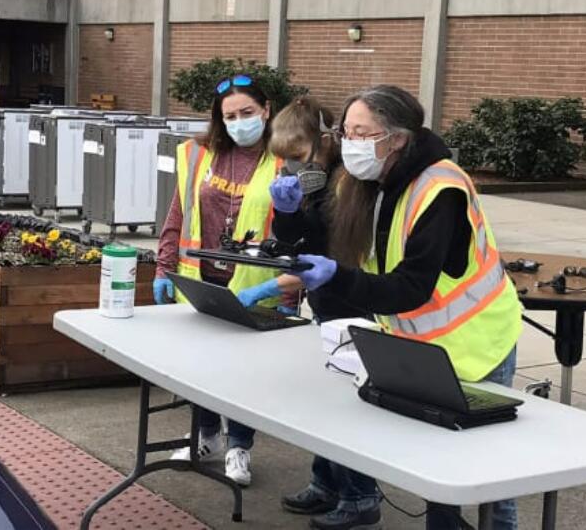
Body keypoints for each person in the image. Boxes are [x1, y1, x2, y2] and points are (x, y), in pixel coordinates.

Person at [245, 85, 523, 530]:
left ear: (397, 138)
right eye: (345, 131)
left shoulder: (441, 188)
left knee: (489, 471)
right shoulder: (367, 181)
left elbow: (411, 287)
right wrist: (290, 215)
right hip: (419, 341)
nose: (348, 142)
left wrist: (338, 278)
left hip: (478, 338)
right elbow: (326, 248)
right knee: (439, 465)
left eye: (360, 132)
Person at [154, 74, 287, 486]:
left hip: (255, 283)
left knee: (245, 373)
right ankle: (206, 436)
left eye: (247, 113)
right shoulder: (198, 154)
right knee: (201, 367)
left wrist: (284, 287)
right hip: (202, 278)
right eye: (229, 116)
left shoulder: (284, 159)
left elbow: (295, 226)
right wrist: (164, 266)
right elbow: (178, 212)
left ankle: (239, 447)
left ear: (266, 111)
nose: (238, 122)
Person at [233, 96, 340, 310]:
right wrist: (286, 214)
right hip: (324, 303)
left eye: (297, 157)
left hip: (351, 308)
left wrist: (270, 288)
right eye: (285, 158)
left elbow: (323, 258)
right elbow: (299, 243)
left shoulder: (344, 188)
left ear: (326, 142)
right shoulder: (316, 187)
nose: (291, 167)